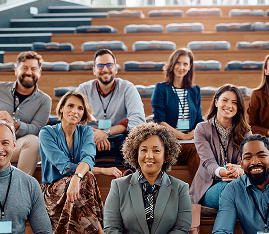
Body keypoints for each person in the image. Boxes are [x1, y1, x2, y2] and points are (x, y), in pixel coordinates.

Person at [101, 122, 196, 234]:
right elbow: (111, 229)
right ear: (135, 152)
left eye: (156, 150)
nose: (149, 156)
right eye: (143, 150)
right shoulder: (118, 186)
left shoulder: (180, 187)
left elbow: (181, 228)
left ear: (166, 154)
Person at [38, 91, 118, 234]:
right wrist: (94, 172)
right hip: (53, 193)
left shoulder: (86, 132)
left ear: (84, 113)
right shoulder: (46, 132)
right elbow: (62, 164)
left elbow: (88, 158)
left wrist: (76, 178)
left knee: (85, 180)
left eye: (80, 108)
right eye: (71, 106)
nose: (75, 110)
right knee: (86, 178)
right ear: (62, 109)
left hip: (76, 190)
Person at [75, 48, 145, 161]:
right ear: (94, 70)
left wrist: (106, 132)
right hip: (90, 141)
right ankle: (80, 176)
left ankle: (130, 177)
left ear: (116, 69)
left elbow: (138, 120)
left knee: (137, 140)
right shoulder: (83, 89)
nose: (105, 69)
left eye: (109, 65)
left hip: (121, 140)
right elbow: (72, 119)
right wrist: (95, 135)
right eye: (100, 66)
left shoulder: (128, 88)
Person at [189, 84, 251, 209]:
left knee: (239, 189)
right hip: (210, 187)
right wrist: (223, 172)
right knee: (231, 190)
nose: (229, 106)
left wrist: (239, 170)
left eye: (234, 102)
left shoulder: (246, 132)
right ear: (216, 102)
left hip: (239, 182)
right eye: (225, 100)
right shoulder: (201, 129)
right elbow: (208, 162)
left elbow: (246, 161)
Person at [151, 47, 202, 178]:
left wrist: (191, 134)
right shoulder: (161, 88)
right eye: (178, 63)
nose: (181, 67)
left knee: (201, 149)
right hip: (168, 140)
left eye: (185, 64)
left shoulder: (195, 90)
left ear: (190, 66)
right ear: (172, 64)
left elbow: (199, 120)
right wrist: (182, 136)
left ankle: (203, 191)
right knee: (195, 150)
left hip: (189, 140)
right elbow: (159, 121)